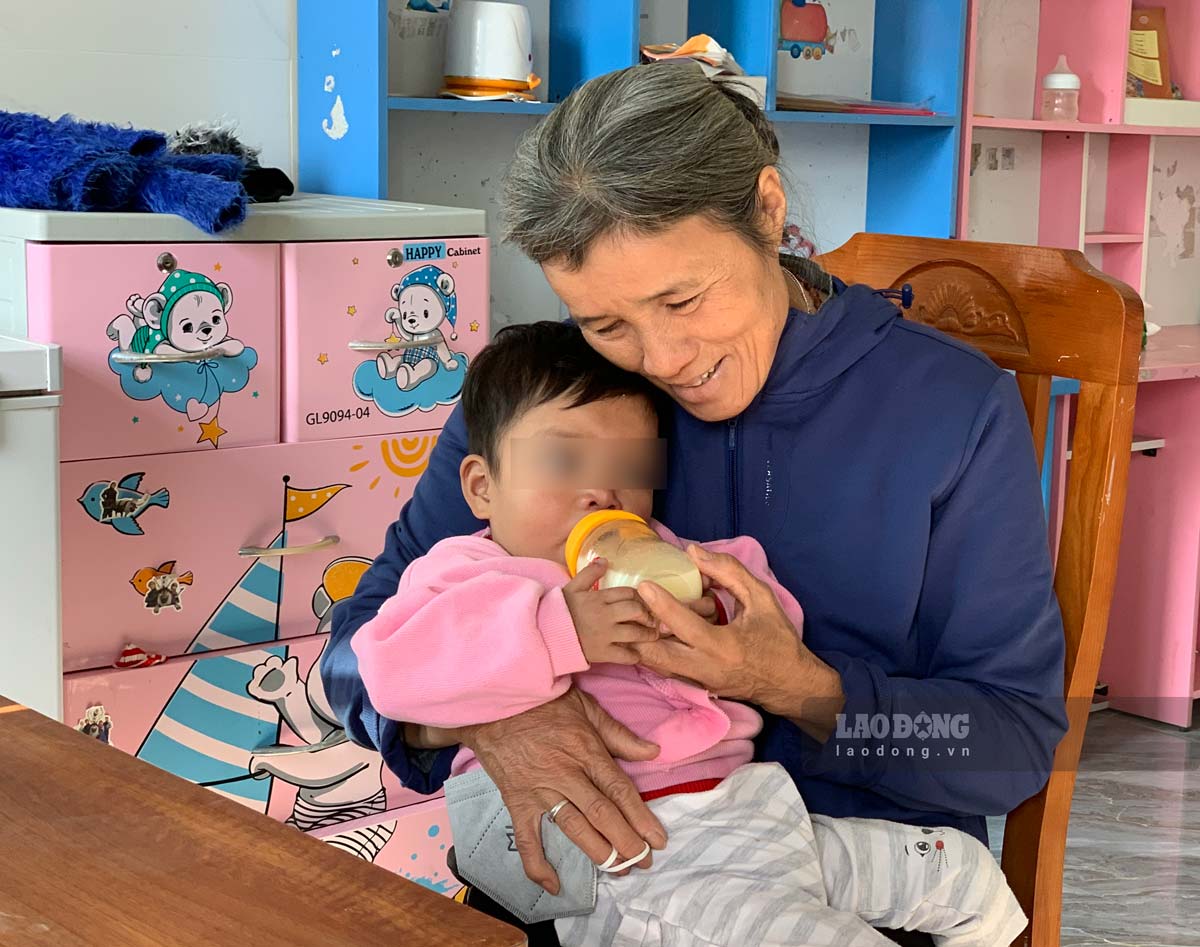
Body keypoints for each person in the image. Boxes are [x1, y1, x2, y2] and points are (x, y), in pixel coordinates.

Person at [321, 62, 1068, 943]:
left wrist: (793, 686)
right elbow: (354, 653)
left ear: (765, 208)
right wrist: (497, 706)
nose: (662, 357)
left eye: (682, 298)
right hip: (589, 895)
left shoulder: (947, 411)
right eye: (608, 323)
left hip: (835, 893)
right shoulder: (554, 405)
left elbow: (1007, 744)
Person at [351, 322, 1028, 947]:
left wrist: (728, 622)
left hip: (752, 810)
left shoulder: (664, 551)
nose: (602, 494)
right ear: (481, 487)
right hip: (630, 854)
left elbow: (771, 614)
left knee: (961, 875)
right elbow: (385, 665)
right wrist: (554, 634)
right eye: (563, 463)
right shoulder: (470, 571)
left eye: (631, 471)